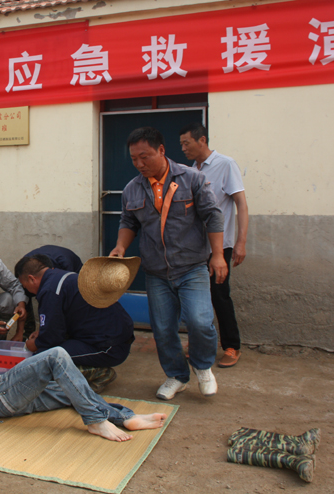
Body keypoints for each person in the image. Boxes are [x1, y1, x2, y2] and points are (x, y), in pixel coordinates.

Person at [109, 126, 227, 401]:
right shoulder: (132, 189)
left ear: (161, 150)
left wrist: (218, 255)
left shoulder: (192, 179)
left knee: (200, 321)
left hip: (192, 267)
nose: (139, 164)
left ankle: (202, 366)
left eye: (145, 157)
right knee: (163, 329)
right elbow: (128, 221)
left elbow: (213, 216)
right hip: (156, 272)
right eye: (134, 159)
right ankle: (176, 376)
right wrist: (120, 246)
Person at [0, 347, 167, 442]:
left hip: (4, 392)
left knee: (73, 390)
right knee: (56, 356)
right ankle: (96, 421)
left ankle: (125, 417)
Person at [179, 123, 248, 368]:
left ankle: (232, 346)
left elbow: (241, 203)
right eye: (181, 144)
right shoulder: (190, 171)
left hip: (219, 247)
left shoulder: (225, 164)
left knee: (219, 295)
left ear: (202, 140)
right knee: (195, 297)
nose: (183, 148)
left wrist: (240, 242)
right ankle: (199, 345)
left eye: (186, 143)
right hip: (194, 247)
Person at [16, 255, 137, 392]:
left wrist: (34, 344)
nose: (28, 291)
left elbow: (51, 338)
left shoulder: (50, 290)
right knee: (46, 351)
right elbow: (58, 323)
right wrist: (43, 331)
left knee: (43, 358)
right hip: (112, 336)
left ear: (32, 279)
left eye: (26, 287)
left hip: (110, 347)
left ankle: (99, 373)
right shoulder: (61, 276)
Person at [14, 245, 84, 340]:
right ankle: (27, 334)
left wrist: (45, 333)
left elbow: (53, 308)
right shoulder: (25, 269)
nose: (26, 288)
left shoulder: (65, 271)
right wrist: (19, 332)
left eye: (25, 286)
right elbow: (26, 306)